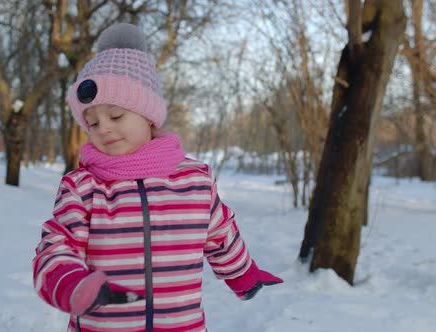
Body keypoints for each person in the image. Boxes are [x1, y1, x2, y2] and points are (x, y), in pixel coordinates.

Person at [32, 23, 282, 332]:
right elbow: (57, 245)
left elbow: (220, 235)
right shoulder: (83, 188)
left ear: (149, 115)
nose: (104, 128)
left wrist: (243, 274)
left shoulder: (195, 181)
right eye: (92, 123)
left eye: (116, 116)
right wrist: (72, 283)